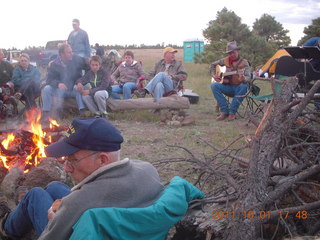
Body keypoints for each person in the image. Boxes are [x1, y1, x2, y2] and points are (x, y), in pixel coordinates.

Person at [0, 118, 164, 239]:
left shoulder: (79, 203)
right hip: (122, 223)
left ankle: (7, 227)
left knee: (35, 194)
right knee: (54, 186)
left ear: (102, 159)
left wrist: (55, 220)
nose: (65, 167)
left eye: (72, 159)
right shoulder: (148, 169)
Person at [41, 43, 88, 121]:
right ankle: (46, 113)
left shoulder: (76, 59)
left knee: (78, 87)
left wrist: (80, 81)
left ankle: (82, 112)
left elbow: (89, 67)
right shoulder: (54, 64)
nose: (71, 54)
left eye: (71, 51)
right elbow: (49, 79)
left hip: (72, 89)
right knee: (47, 88)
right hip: (59, 90)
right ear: (62, 54)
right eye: (69, 52)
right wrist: (58, 84)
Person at [210, 41, 251, 121]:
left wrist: (243, 79)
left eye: (233, 52)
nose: (232, 55)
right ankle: (224, 111)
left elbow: (248, 77)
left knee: (244, 86)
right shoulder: (225, 60)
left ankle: (232, 113)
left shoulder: (244, 62)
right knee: (214, 85)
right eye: (230, 53)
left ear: (237, 51)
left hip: (238, 88)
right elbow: (212, 65)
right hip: (227, 86)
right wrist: (213, 75)